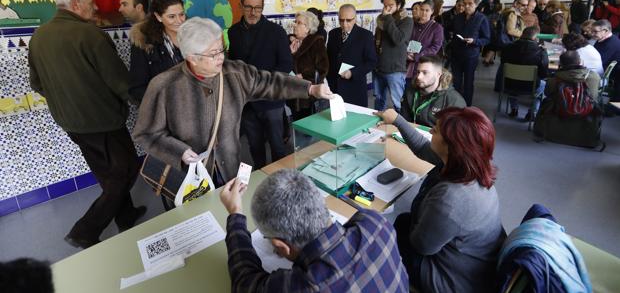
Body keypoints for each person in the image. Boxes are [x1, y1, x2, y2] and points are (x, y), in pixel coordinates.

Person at [133, 17, 333, 187]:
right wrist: (180, 152)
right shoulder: (164, 86)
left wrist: (309, 88)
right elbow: (146, 133)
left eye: (222, 49)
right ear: (191, 57)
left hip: (229, 167)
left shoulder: (234, 73)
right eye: (213, 54)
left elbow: (269, 82)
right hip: (189, 177)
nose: (221, 57)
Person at [28, 0, 145, 249]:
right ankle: (85, 229)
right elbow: (119, 82)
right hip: (103, 121)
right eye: (91, 2)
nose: (95, 6)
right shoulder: (90, 35)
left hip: (70, 123)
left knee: (106, 173)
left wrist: (66, 101)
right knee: (125, 171)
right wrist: (148, 104)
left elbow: (37, 84)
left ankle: (126, 215)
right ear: (76, 4)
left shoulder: (39, 36)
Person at [375, 107, 506, 293]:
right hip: (476, 260)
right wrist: (397, 120)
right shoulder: (470, 166)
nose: (429, 131)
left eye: (435, 130)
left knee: (384, 236)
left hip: (455, 281)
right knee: (403, 221)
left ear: (451, 146)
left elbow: (421, 246)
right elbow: (422, 147)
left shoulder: (451, 199)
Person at [219, 169, 409, 292]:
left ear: (281, 247)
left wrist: (235, 213)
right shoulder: (375, 221)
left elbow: (244, 282)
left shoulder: (305, 286)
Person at [228, 0, 293, 169]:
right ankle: (260, 179)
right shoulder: (233, 32)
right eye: (248, 7)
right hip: (247, 102)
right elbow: (233, 63)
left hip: (271, 100)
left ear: (262, 7)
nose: (253, 12)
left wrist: (265, 83)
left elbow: (286, 64)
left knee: (277, 146)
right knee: (254, 147)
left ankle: (281, 181)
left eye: (258, 8)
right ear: (241, 5)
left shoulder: (276, 31)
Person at [534, 51, 602, 148]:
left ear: (560, 64)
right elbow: (595, 97)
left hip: (558, 116)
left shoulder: (554, 79)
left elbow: (547, 93)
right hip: (586, 118)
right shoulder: (594, 77)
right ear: (580, 62)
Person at [129, 0, 185, 103]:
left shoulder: (194, 35)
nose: (179, 21)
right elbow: (137, 88)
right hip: (166, 109)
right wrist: (163, 104)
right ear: (158, 17)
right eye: (171, 16)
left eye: (182, 14)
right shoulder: (146, 44)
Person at [326, 4, 377, 107]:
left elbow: (371, 61)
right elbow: (329, 58)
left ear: (355, 19)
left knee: (356, 119)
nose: (344, 24)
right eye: (341, 20)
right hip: (335, 87)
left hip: (354, 87)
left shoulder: (365, 35)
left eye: (348, 20)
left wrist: (352, 73)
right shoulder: (333, 34)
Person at [374, 0, 414, 112]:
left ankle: (402, 126)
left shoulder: (407, 21)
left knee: (398, 102)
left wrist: (388, 18)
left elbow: (398, 39)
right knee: (379, 100)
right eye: (385, 5)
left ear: (399, 5)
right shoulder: (381, 20)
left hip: (395, 69)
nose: (387, 8)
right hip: (379, 67)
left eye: (390, 5)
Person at [401, 55, 465, 127]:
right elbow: (404, 119)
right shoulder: (410, 91)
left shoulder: (454, 101)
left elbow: (454, 133)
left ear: (438, 74)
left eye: (425, 73)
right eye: (418, 72)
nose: (419, 77)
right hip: (410, 133)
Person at [450, 0, 491, 106]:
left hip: (471, 55)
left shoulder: (481, 19)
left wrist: (475, 41)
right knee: (456, 82)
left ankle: (466, 107)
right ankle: (456, 105)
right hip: (456, 54)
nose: (466, 6)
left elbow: (487, 39)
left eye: (470, 4)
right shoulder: (458, 17)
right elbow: (449, 29)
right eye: (465, 3)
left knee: (468, 82)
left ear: (476, 4)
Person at [499, 26, 549, 119]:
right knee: (544, 84)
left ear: (522, 34)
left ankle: (514, 109)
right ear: (536, 38)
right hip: (531, 87)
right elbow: (543, 74)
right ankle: (532, 112)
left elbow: (503, 64)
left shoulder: (508, 48)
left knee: (513, 80)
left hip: (509, 84)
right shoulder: (541, 52)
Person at [289, 10, 329, 119]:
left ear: (308, 28)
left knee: (309, 124)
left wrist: (304, 75)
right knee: (297, 122)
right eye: (295, 22)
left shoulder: (316, 42)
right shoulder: (293, 42)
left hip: (309, 94)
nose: (294, 25)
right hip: (294, 92)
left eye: (299, 23)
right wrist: (293, 54)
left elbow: (323, 69)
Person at [406, 0, 444, 80]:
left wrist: (418, 56)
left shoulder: (437, 27)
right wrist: (407, 53)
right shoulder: (412, 24)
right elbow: (405, 40)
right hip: (407, 62)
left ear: (432, 11)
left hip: (424, 63)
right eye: (422, 10)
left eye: (427, 10)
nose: (424, 13)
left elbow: (435, 47)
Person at [592, 19, 620, 103]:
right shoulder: (602, 39)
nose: (593, 34)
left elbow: (598, 62)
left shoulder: (611, 43)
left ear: (605, 31)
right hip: (601, 69)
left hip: (604, 75)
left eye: (595, 31)